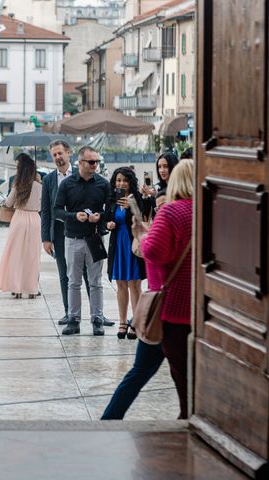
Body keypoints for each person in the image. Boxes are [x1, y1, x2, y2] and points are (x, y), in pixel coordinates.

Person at [101, 159, 193, 420]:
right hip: (194, 308)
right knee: (185, 375)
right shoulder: (206, 212)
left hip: (167, 311)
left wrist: (142, 234)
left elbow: (154, 252)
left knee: (139, 373)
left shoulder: (171, 212)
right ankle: (188, 419)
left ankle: (109, 419)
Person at [41, 140, 114, 327]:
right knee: (68, 277)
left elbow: (110, 207)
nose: (58, 157)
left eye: (60, 153)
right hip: (66, 234)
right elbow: (49, 210)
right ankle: (71, 316)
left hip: (92, 235)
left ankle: (97, 316)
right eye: (54, 155)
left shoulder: (97, 181)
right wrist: (46, 238)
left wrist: (101, 217)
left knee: (94, 279)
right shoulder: (55, 181)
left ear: (69, 154)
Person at [105, 167, 147, 339]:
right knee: (121, 284)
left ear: (130, 182)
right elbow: (106, 218)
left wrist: (132, 206)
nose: (121, 183)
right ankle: (122, 321)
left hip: (133, 244)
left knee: (134, 285)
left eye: (124, 180)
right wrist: (108, 224)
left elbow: (143, 219)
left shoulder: (136, 198)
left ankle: (135, 322)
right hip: (118, 245)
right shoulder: (112, 199)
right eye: (118, 180)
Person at [0, 153, 42, 298]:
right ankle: (32, 289)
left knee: (17, 255)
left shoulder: (18, 184)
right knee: (32, 256)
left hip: (19, 218)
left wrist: (3, 202)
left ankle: (17, 288)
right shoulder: (39, 185)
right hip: (34, 219)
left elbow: (8, 203)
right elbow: (43, 204)